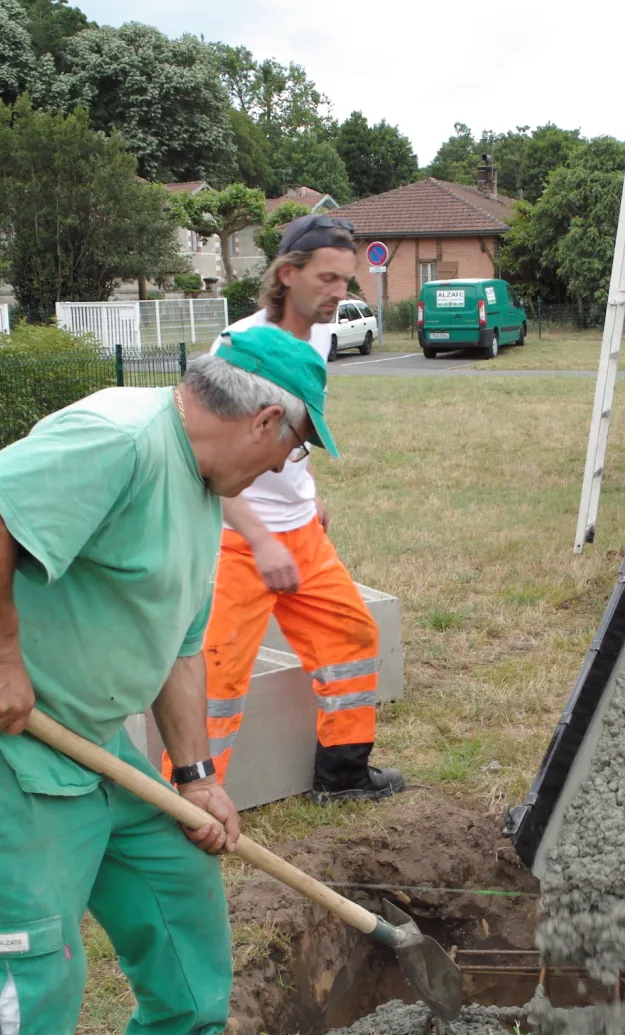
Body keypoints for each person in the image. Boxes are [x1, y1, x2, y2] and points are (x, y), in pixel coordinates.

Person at [0, 325, 336, 1035]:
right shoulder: (122, 439)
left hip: (91, 737)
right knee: (31, 972)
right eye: (294, 448)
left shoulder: (203, 493)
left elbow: (176, 646)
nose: (283, 470)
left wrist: (193, 775)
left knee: (180, 882)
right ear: (263, 423)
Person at [197, 213, 405, 803]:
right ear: (287, 274)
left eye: (347, 280)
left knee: (350, 636)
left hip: (301, 534)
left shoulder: (319, 335)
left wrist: (309, 497)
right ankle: (185, 800)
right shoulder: (239, 348)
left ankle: (342, 778)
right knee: (217, 674)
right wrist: (261, 539)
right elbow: (208, 460)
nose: (341, 294)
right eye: (329, 279)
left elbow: (294, 428)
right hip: (238, 540)